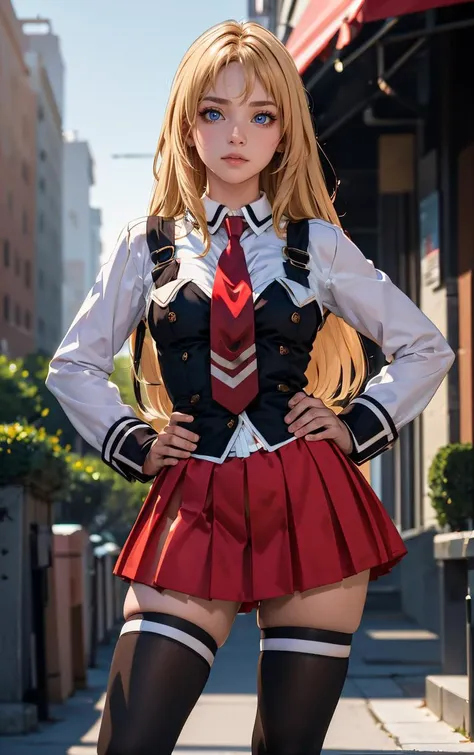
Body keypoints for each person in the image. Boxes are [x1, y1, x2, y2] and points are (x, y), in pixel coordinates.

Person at [46, 19, 455, 755]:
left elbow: (426, 346)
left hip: (310, 498)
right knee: (127, 745)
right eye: (215, 111)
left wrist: (356, 424)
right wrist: (135, 441)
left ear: (284, 131)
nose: (237, 133)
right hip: (192, 499)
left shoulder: (317, 243)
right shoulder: (150, 242)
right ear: (187, 123)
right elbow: (71, 364)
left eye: (261, 114)